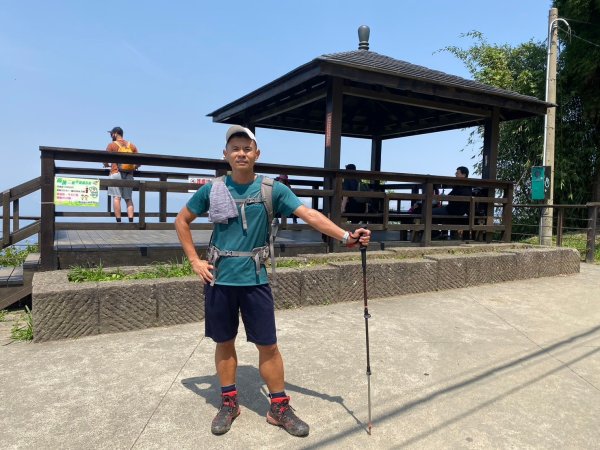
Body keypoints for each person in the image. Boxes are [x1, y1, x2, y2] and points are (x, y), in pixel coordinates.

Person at [175, 125, 371, 437]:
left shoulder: (272, 189)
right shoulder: (212, 190)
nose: (241, 153)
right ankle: (229, 402)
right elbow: (181, 220)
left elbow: (308, 215)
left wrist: (346, 236)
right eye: (235, 148)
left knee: (268, 345)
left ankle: (278, 406)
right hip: (220, 278)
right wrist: (195, 260)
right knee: (224, 342)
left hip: (255, 278)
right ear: (225, 154)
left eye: (247, 148)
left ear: (256, 154)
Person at [104, 127, 139, 222]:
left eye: (111, 134)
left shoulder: (112, 145)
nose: (111, 136)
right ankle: (131, 221)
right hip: (129, 174)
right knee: (128, 199)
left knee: (117, 197)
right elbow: (139, 161)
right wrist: (134, 167)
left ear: (115, 134)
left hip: (116, 173)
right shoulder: (131, 145)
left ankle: (119, 222)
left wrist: (106, 165)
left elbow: (105, 160)